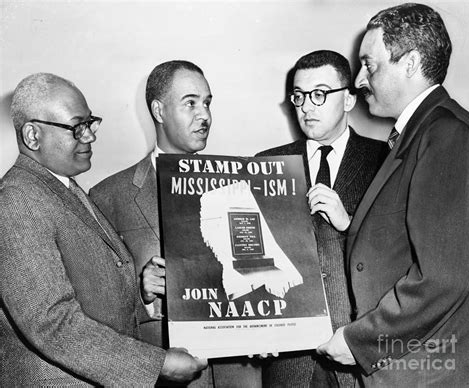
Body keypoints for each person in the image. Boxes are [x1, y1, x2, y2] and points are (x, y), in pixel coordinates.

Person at [0, 73, 208, 386]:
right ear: (32, 136)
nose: (90, 136)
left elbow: (95, 297)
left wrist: (143, 293)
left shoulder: (65, 188)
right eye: (76, 127)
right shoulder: (16, 199)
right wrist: (159, 364)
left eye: (90, 123)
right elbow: (51, 323)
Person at [316, 4, 469, 387]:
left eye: (369, 65)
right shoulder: (423, 132)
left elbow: (444, 276)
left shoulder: (448, 135)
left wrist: (359, 341)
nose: (357, 80)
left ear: (411, 63)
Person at [90, 60, 262, 388]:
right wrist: (141, 291)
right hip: (166, 375)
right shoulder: (108, 197)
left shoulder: (241, 185)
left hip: (239, 374)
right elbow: (97, 311)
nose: (205, 115)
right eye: (191, 103)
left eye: (208, 102)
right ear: (158, 110)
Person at [256, 50, 388, 387]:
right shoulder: (266, 163)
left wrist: (349, 222)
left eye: (319, 94)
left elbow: (401, 251)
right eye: (299, 96)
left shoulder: (386, 159)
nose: (306, 107)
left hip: (357, 352)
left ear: (347, 100)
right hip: (288, 358)